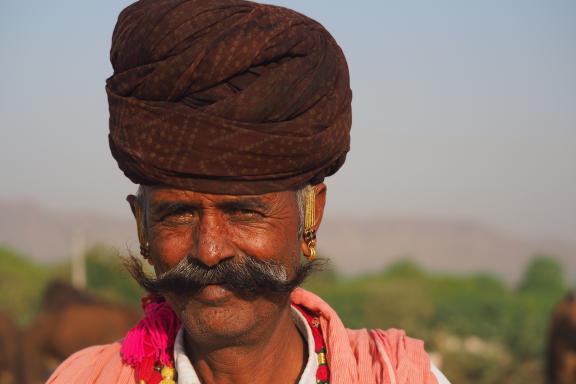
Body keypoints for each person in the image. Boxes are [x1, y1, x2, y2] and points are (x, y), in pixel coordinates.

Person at [48, 0, 450, 383]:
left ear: (312, 216)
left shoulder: (396, 376)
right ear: (143, 229)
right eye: (178, 215)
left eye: (243, 212)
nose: (209, 250)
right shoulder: (85, 378)